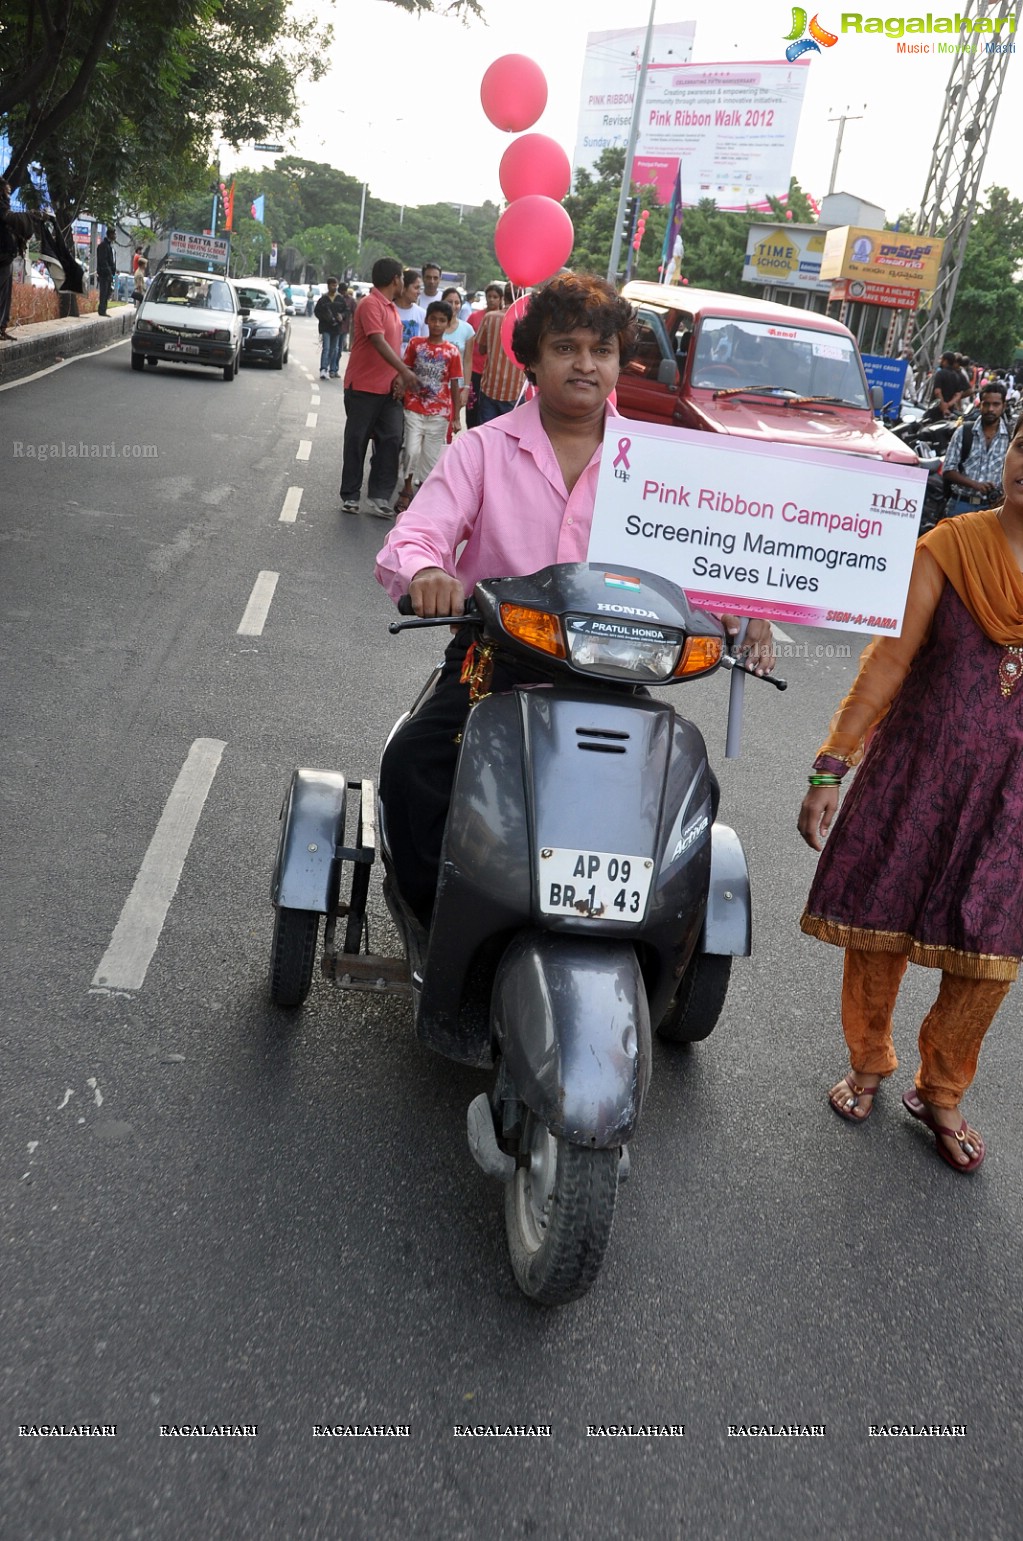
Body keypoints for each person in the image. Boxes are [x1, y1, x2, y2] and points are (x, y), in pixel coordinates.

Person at [375, 271, 775, 926]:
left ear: (621, 359)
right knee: (415, 762)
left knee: (686, 791)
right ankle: (441, 921)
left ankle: (638, 936)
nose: (584, 364)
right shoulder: (481, 449)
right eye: (565, 348)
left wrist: (745, 613)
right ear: (531, 359)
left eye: (601, 349)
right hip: (492, 667)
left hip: (615, 676)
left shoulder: (655, 466)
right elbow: (415, 535)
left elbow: (697, 567)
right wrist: (424, 572)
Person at [797, 422, 1023, 1172]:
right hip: (918, 773)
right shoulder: (952, 547)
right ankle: (867, 1059)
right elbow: (888, 660)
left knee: (990, 945)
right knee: (879, 918)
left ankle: (943, 1088)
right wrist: (833, 762)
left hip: (1011, 798)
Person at [340, 256, 419, 517]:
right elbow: (377, 341)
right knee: (357, 440)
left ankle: (379, 495)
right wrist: (404, 371)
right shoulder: (370, 304)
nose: (402, 283)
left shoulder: (393, 309)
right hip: (363, 387)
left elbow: (394, 348)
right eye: (401, 279)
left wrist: (398, 377)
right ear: (395, 279)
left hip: (388, 390)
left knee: (392, 439)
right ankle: (350, 495)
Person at [396, 299, 463, 513]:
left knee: (431, 459)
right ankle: (406, 489)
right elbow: (405, 370)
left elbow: (454, 383)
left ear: (448, 323)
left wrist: (456, 416)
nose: (436, 324)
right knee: (411, 451)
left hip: (439, 413)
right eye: (433, 319)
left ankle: (422, 499)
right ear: (426, 320)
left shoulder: (452, 352)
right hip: (414, 407)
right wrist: (400, 388)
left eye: (442, 320)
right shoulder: (416, 344)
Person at [942, 383, 1010, 517]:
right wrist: (975, 485)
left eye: (996, 404)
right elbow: (948, 471)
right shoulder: (964, 431)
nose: (990, 409)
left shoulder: (1011, 436)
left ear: (1003, 406)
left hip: (993, 509)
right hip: (961, 504)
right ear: (980, 405)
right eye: (986, 404)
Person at [474, 283, 524, 422]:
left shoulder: (490, 317)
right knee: (511, 437)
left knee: (487, 435)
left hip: (490, 387)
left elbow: (482, 349)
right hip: (514, 390)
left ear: (503, 297)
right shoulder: (526, 322)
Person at [465, 282, 502, 428]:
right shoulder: (474, 317)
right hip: (475, 369)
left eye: (495, 297)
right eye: (489, 296)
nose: (492, 300)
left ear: (501, 299)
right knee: (472, 407)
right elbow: (467, 340)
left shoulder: (504, 319)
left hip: (493, 372)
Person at [439, 286, 474, 423]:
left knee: (450, 424)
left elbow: (467, 361)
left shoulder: (467, 330)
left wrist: (466, 388)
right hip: (435, 385)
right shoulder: (434, 326)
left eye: (457, 302)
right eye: (449, 302)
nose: (453, 306)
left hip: (456, 386)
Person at [314, 276, 345, 379]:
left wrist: (342, 316)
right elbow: (317, 311)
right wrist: (324, 318)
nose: (334, 287)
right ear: (328, 286)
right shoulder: (323, 299)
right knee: (326, 348)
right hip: (326, 327)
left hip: (336, 328)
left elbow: (346, 311)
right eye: (332, 285)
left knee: (334, 349)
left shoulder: (340, 299)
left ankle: (328, 368)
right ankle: (323, 369)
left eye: (336, 285)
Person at [0, 180, 18, 341]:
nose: (9, 192)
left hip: (7, 257)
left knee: (5, 296)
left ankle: (2, 328)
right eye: (7, 190)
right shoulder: (2, 209)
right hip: (2, 257)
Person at [394, 269, 426, 351]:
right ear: (403, 287)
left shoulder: (422, 314)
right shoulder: (388, 309)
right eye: (416, 288)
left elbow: (425, 343)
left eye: (420, 288)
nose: (419, 292)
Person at [929, 351, 966, 416]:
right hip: (949, 411)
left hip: (935, 409)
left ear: (945, 361)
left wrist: (943, 406)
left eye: (941, 359)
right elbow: (958, 395)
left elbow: (937, 392)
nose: (939, 361)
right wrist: (948, 405)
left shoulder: (940, 373)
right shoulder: (957, 376)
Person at [96, 229, 116, 316]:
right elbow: (103, 261)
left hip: (109, 274)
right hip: (104, 274)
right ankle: (102, 310)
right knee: (104, 292)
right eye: (114, 234)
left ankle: (104, 309)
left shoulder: (109, 246)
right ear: (110, 234)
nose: (115, 236)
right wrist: (109, 272)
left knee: (107, 292)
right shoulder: (103, 246)